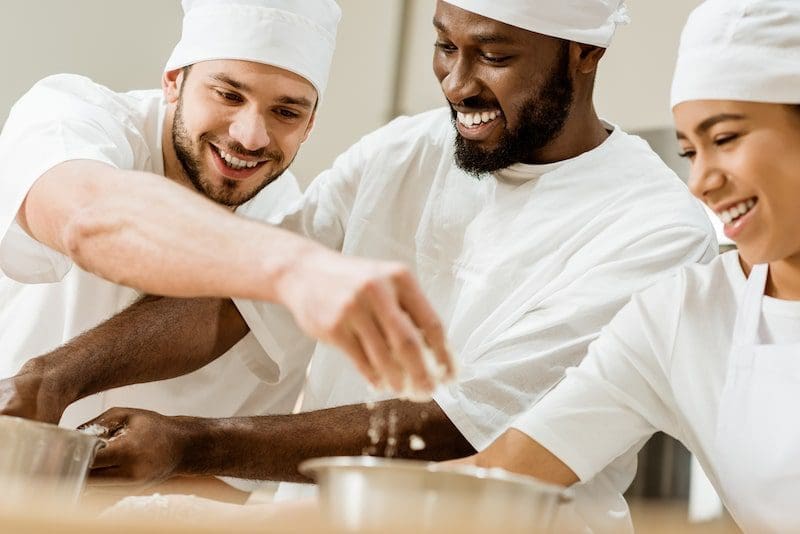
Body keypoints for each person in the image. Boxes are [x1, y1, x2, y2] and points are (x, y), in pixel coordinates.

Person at [1, 0, 717, 529]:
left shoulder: (654, 227)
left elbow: (467, 427)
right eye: (444, 47)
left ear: (582, 54)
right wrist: (55, 378)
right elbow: (243, 302)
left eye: (493, 56)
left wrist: (188, 445)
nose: (457, 84)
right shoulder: (406, 150)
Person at [0, 0, 451, 430]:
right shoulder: (73, 117)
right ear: (174, 80)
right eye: (229, 94)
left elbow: (230, 482)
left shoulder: (287, 222)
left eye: (286, 111)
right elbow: (89, 219)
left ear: (310, 124)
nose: (251, 136)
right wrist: (293, 268)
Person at [461, 0, 800, 531]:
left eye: (725, 139)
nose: (702, 181)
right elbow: (503, 474)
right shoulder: (682, 315)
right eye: (691, 152)